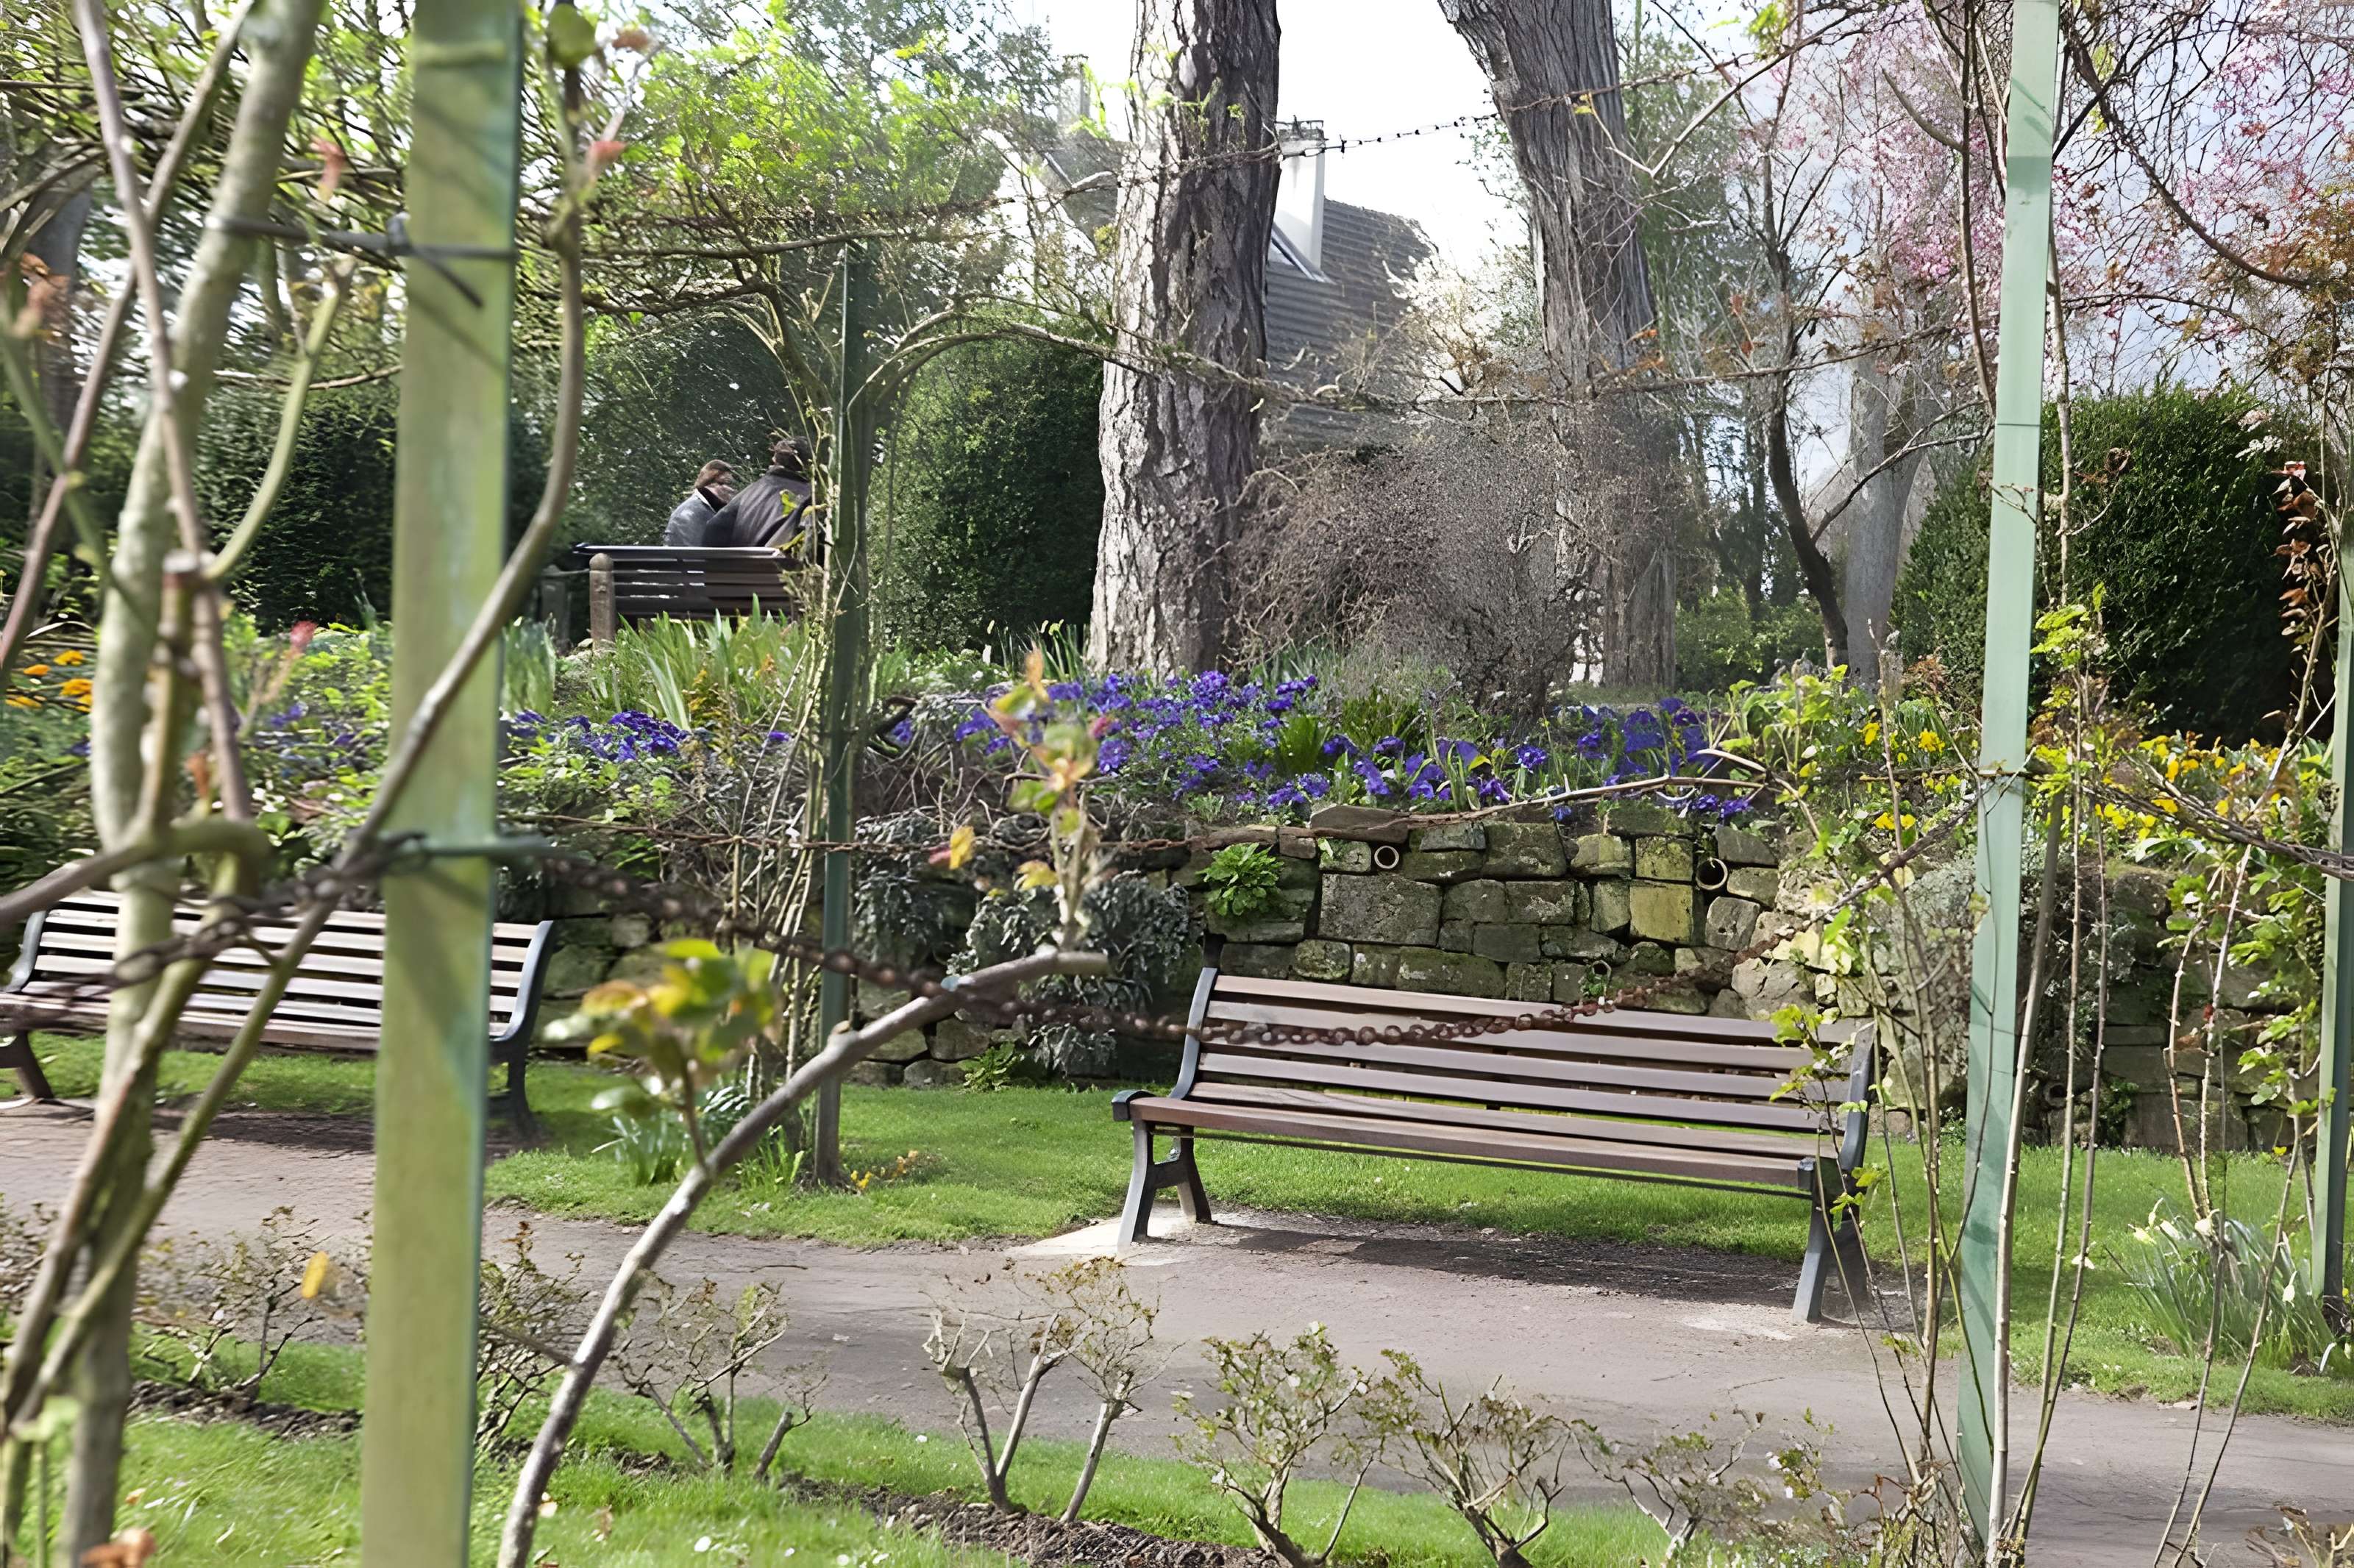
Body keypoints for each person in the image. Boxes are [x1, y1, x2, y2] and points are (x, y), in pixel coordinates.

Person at [701, 435, 817, 557]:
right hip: (778, 572)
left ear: (775, 460)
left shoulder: (750, 492)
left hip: (738, 572)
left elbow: (714, 529)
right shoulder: (809, 496)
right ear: (808, 464)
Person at [663, 460, 736, 546]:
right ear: (711, 484)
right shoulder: (686, 514)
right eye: (728, 483)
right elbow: (694, 556)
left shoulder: (713, 509)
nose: (732, 490)